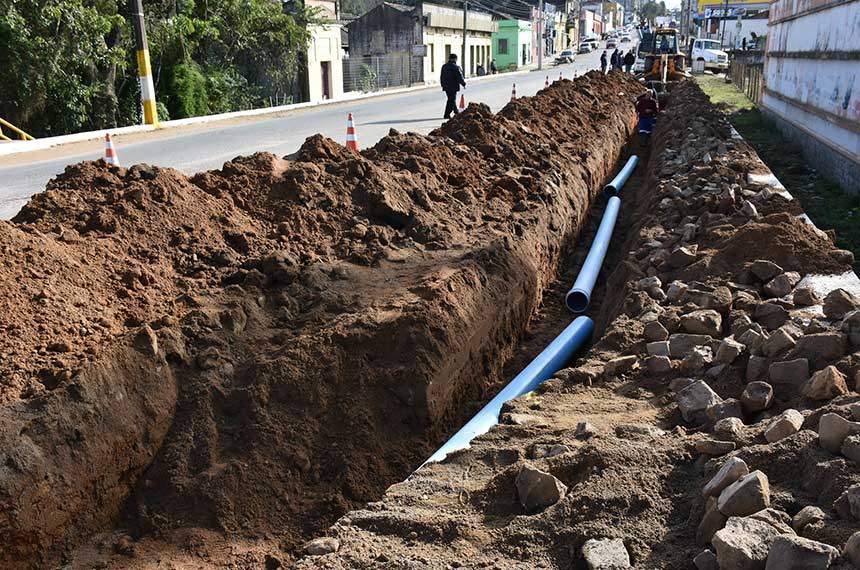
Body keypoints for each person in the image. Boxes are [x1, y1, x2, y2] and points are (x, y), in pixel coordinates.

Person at [440, 53, 466, 119]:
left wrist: (443, 85)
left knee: (451, 98)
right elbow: (459, 77)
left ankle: (456, 111)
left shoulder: (444, 66)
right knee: (451, 100)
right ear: (455, 59)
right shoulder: (456, 67)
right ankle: (446, 114)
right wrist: (463, 83)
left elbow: (441, 77)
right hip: (453, 86)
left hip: (446, 86)